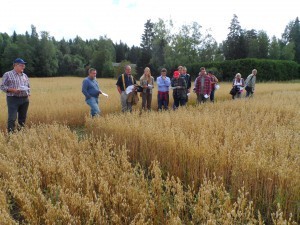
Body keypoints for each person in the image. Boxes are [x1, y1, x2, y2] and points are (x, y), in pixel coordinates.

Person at [0, 58, 30, 133]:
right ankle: (11, 136)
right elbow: (2, 86)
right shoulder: (8, 74)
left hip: (25, 99)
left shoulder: (25, 75)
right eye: (21, 65)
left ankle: (21, 134)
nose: (23, 66)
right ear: (15, 65)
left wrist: (28, 92)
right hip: (13, 99)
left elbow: (28, 85)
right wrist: (13, 90)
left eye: (24, 65)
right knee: (12, 118)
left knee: (22, 118)